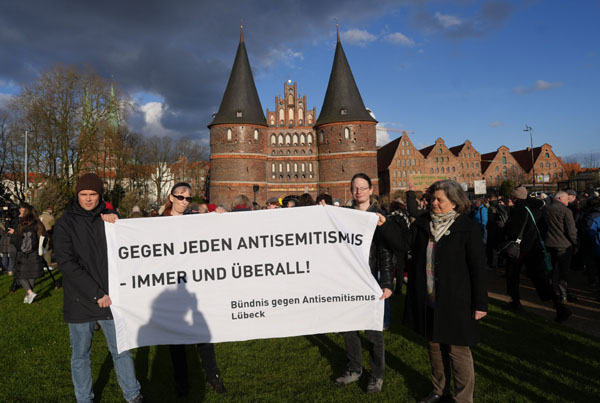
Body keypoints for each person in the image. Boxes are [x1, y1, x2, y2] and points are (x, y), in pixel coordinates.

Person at [53, 173, 143, 403]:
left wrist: (117, 220)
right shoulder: (65, 223)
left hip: (111, 299)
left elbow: (127, 249)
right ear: (77, 195)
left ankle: (133, 395)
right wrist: (96, 293)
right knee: (80, 356)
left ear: (100, 195)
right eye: (83, 194)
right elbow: (67, 264)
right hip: (80, 299)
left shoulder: (110, 219)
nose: (88, 199)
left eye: (93, 194)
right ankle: (84, 398)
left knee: (121, 350)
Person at [403, 180, 487, 403]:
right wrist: (382, 225)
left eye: (439, 199)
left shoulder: (467, 228)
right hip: (429, 299)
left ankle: (463, 398)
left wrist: (480, 304)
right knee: (434, 347)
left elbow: (478, 268)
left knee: (458, 351)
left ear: (455, 202)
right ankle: (439, 391)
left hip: (457, 301)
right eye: (432, 199)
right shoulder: (423, 224)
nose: (434, 203)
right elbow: (402, 244)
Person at [162, 182, 226, 395]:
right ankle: (181, 381)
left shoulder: (194, 221)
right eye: (180, 197)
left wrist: (220, 215)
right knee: (176, 340)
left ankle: (213, 375)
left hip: (195, 284)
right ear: (171, 198)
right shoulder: (157, 223)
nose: (184, 202)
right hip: (171, 286)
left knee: (203, 335)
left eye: (188, 198)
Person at [334, 173, 394, 394]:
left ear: (370, 190)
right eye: (354, 188)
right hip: (349, 280)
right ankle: (354, 368)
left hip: (371, 279)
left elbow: (386, 252)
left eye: (362, 187)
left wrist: (386, 281)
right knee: (349, 326)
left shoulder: (378, 217)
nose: (358, 192)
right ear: (351, 191)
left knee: (372, 331)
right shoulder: (345, 216)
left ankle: (376, 374)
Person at [503, 186, 571, 321]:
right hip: (536, 247)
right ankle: (559, 305)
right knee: (540, 278)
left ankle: (515, 301)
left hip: (521, 249)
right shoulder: (538, 208)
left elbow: (513, 230)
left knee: (512, 274)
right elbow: (544, 228)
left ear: (515, 197)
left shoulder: (518, 210)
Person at [9, 203, 47, 303]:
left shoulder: (21, 223)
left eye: (21, 210)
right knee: (32, 274)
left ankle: (29, 293)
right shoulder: (38, 222)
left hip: (23, 253)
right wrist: (40, 247)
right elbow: (44, 236)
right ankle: (29, 294)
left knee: (19, 274)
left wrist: (19, 249)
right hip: (35, 253)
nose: (20, 211)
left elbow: (16, 238)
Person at [544, 191, 578, 302]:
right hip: (564, 245)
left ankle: (549, 292)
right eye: (566, 198)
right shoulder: (566, 211)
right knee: (563, 271)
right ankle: (563, 294)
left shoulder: (546, 209)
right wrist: (576, 243)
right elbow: (571, 231)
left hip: (549, 244)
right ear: (559, 199)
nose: (567, 201)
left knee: (550, 270)